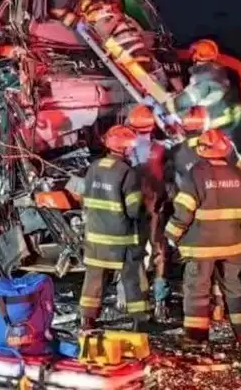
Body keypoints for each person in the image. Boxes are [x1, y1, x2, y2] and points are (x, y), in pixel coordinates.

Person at [164, 129, 241, 346]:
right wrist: (240, 234)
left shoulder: (196, 173)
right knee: (233, 287)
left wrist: (171, 235)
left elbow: (184, 210)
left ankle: (196, 337)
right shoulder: (237, 174)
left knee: (197, 290)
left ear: (203, 149)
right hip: (231, 244)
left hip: (200, 246)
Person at [80, 125, 149, 329]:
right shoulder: (127, 173)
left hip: (95, 237)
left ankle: (87, 320)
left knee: (93, 280)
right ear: (126, 149)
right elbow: (134, 209)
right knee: (133, 279)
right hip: (122, 241)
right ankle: (139, 320)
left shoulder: (93, 168)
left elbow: (85, 200)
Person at [125, 104, 170, 321]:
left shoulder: (127, 151)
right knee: (159, 252)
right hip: (156, 208)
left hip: (135, 210)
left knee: (136, 252)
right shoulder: (161, 149)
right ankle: (160, 301)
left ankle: (139, 300)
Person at [175, 39, 241, 134]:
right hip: (205, 117)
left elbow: (184, 100)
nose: (191, 55)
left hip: (200, 118)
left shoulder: (208, 74)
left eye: (194, 52)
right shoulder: (213, 71)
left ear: (197, 54)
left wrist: (175, 107)